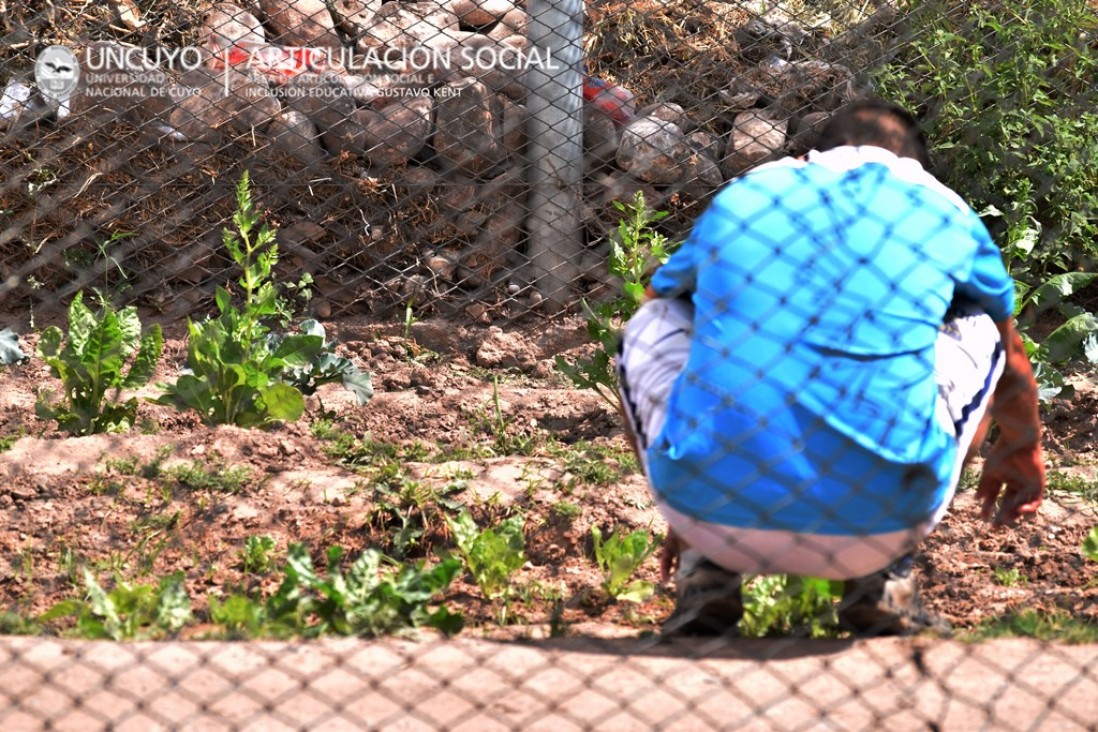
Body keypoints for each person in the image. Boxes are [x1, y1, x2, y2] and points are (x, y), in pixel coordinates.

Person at [616, 99, 1046, 636]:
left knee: (658, 315)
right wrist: (1023, 449)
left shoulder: (753, 192)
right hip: (881, 525)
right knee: (983, 323)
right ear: (916, 165)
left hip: (709, 513)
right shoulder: (941, 209)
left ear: (810, 154)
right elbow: (1012, 351)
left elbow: (659, 297)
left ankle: (709, 570)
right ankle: (885, 580)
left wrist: (688, 505)